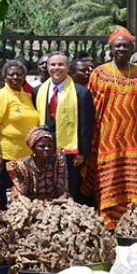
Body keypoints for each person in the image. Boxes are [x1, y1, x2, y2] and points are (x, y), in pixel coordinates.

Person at [86, 28, 137, 228]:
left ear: (132, 49)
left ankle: (135, 224)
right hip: (106, 141)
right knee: (108, 183)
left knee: (135, 184)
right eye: (117, 45)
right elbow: (92, 109)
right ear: (111, 48)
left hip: (134, 143)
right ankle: (109, 225)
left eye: (125, 46)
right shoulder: (99, 74)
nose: (121, 49)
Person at [33, 53, 94, 206]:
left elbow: (86, 125)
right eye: (52, 65)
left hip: (70, 150)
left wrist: (82, 152)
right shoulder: (38, 91)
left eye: (61, 64)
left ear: (68, 68)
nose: (56, 68)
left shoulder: (81, 92)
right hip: (45, 148)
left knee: (69, 185)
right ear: (47, 68)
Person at [0, 59, 40, 207]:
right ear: (5, 77)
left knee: (23, 194)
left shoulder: (26, 97)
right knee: (0, 196)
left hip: (26, 156)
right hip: (6, 155)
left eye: (19, 74)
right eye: (11, 74)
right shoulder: (1, 96)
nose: (15, 77)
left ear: (24, 77)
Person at [6, 127, 69, 202]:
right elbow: (21, 194)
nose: (46, 148)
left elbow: (62, 191)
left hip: (53, 201)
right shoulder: (21, 166)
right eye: (42, 146)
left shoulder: (58, 161)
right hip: (27, 201)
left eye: (50, 146)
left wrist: (55, 205)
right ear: (33, 148)